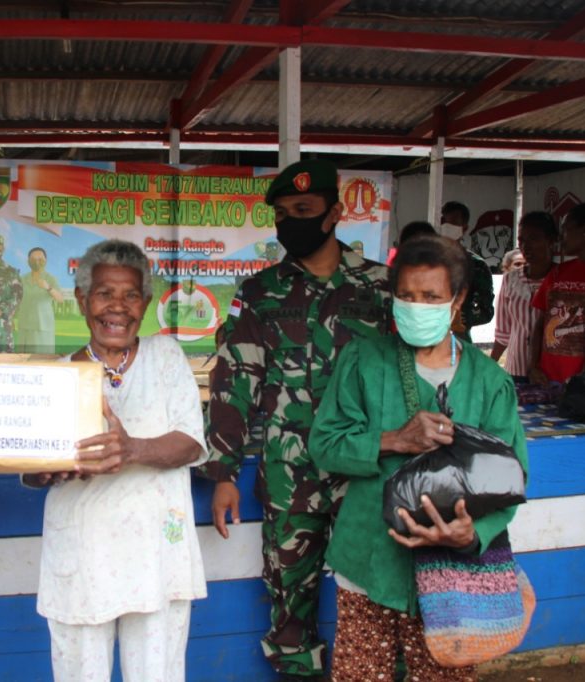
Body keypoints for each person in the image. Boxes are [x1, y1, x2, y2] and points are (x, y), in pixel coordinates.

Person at [204, 159, 392, 681]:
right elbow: (234, 381)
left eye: (304, 211)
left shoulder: (382, 287)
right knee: (289, 602)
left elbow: (413, 373)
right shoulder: (261, 294)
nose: (291, 223)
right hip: (293, 474)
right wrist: (223, 473)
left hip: (367, 468)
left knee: (380, 592)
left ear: (334, 214)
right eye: (283, 214)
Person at [310, 235, 528, 682]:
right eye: (406, 296)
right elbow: (325, 445)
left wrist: (473, 532)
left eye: (431, 296)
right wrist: (394, 439)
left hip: (453, 575)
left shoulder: (489, 381)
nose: (416, 305)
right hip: (369, 561)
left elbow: (512, 476)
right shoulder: (364, 360)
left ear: (458, 299)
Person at [25, 239, 207, 682]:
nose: (118, 307)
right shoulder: (58, 376)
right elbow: (32, 468)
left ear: (145, 304)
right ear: (82, 300)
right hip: (82, 558)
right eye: (105, 293)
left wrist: (131, 450)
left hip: (156, 558)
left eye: (130, 296)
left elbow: (190, 442)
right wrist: (49, 468)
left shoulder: (166, 359)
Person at [529, 200, 585, 385]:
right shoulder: (558, 272)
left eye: (567, 229)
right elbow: (540, 325)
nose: (562, 237)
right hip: (547, 378)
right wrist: (533, 366)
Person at [492, 212, 558, 379]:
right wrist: (490, 366)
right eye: (521, 240)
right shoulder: (511, 279)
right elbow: (503, 332)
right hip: (516, 369)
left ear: (551, 241)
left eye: (534, 239)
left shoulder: (562, 279)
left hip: (550, 372)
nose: (526, 246)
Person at [440, 201, 494, 340]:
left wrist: (459, 316)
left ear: (464, 228)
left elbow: (486, 312)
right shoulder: (427, 260)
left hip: (459, 341)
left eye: (453, 224)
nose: (446, 227)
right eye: (444, 222)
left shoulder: (476, 265)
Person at [16, 246, 63, 354]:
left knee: (41, 360)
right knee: (23, 360)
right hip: (24, 326)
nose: (36, 261)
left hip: (42, 327)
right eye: (33, 259)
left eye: (40, 259)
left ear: (45, 261)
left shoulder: (50, 278)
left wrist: (48, 288)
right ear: (28, 261)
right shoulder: (22, 279)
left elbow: (60, 299)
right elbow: (16, 300)